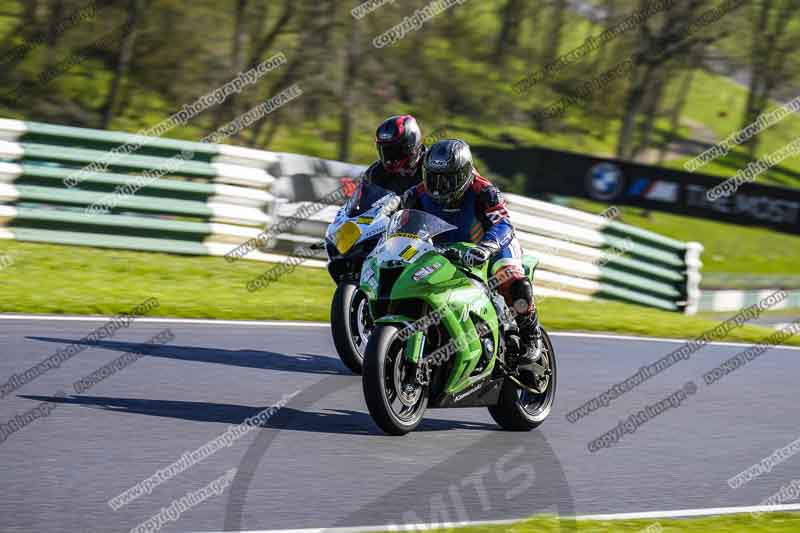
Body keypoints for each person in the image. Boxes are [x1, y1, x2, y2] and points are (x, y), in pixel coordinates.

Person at [401, 139, 543, 362]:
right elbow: (403, 231)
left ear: (465, 173)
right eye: (434, 178)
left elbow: (504, 224)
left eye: (449, 179)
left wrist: (487, 247)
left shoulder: (484, 191)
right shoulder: (415, 195)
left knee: (511, 279)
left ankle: (531, 336)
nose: (440, 186)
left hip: (490, 246)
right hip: (445, 251)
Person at [363, 115, 426, 195]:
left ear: (411, 145)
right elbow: (363, 200)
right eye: (385, 151)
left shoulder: (430, 168)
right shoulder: (376, 171)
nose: (389, 158)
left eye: (393, 150)